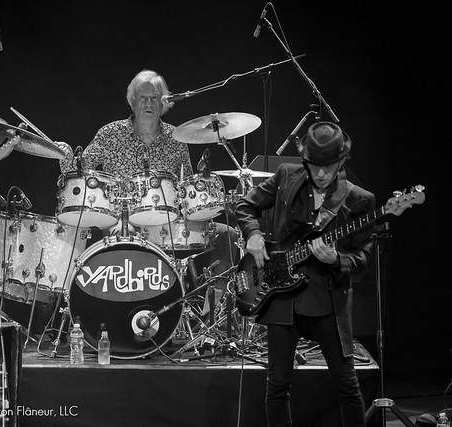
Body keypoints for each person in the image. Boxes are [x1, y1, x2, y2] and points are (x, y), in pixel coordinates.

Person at [56, 69, 238, 312]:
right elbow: (82, 172)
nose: (149, 103)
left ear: (164, 104)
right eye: (143, 98)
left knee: (229, 236)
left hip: (168, 223)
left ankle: (211, 315)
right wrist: (65, 156)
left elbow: (185, 186)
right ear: (133, 102)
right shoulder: (110, 134)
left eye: (155, 98)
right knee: (121, 236)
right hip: (122, 222)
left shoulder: (177, 137)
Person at [233, 121, 375, 427]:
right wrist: (253, 234)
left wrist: (337, 258)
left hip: (328, 299)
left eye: (328, 167)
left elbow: (363, 257)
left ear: (341, 161)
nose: (321, 174)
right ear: (305, 159)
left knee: (347, 385)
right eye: (315, 166)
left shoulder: (359, 199)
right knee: (277, 384)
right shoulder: (287, 174)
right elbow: (245, 205)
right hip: (282, 295)